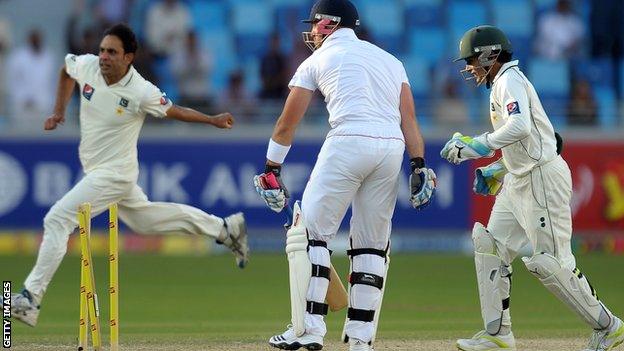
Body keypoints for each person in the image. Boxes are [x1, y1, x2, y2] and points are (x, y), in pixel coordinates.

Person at [5, 24, 249, 328]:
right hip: (98, 169)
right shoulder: (88, 65)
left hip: (116, 173)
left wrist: (212, 119)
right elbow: (66, 70)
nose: (104, 57)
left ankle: (30, 298)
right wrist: (59, 111)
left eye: (112, 52)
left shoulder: (140, 90)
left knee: (57, 219)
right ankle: (225, 228)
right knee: (143, 220)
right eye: (102, 50)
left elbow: (176, 111)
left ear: (129, 57)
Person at [253, 1, 436, 350]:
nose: (311, 30)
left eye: (316, 23)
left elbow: (286, 123)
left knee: (309, 234)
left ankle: (309, 329)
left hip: (349, 140)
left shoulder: (316, 60)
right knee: (370, 243)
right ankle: (360, 339)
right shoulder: (391, 61)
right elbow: (409, 120)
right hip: (391, 148)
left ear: (330, 24)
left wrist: (272, 167)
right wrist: (418, 164)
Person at [441, 25, 624, 351]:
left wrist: (477, 146)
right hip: (519, 179)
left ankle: (609, 328)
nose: (469, 68)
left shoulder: (509, 81)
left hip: (541, 179)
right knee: (490, 246)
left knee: (551, 263)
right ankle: (499, 335)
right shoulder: (503, 83)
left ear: (489, 55)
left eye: (472, 60)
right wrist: (500, 166)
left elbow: (521, 126)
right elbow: (539, 138)